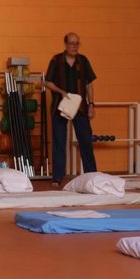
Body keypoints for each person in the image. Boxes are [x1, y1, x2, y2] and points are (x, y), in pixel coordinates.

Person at [45, 32, 98, 187]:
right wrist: (62, 93)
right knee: (59, 142)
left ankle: (91, 174)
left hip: (80, 107)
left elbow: (89, 84)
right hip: (60, 106)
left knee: (85, 140)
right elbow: (47, 82)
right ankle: (57, 177)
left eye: (77, 43)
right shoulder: (56, 60)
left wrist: (91, 104)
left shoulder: (83, 61)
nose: (74, 46)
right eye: (72, 43)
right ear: (65, 44)